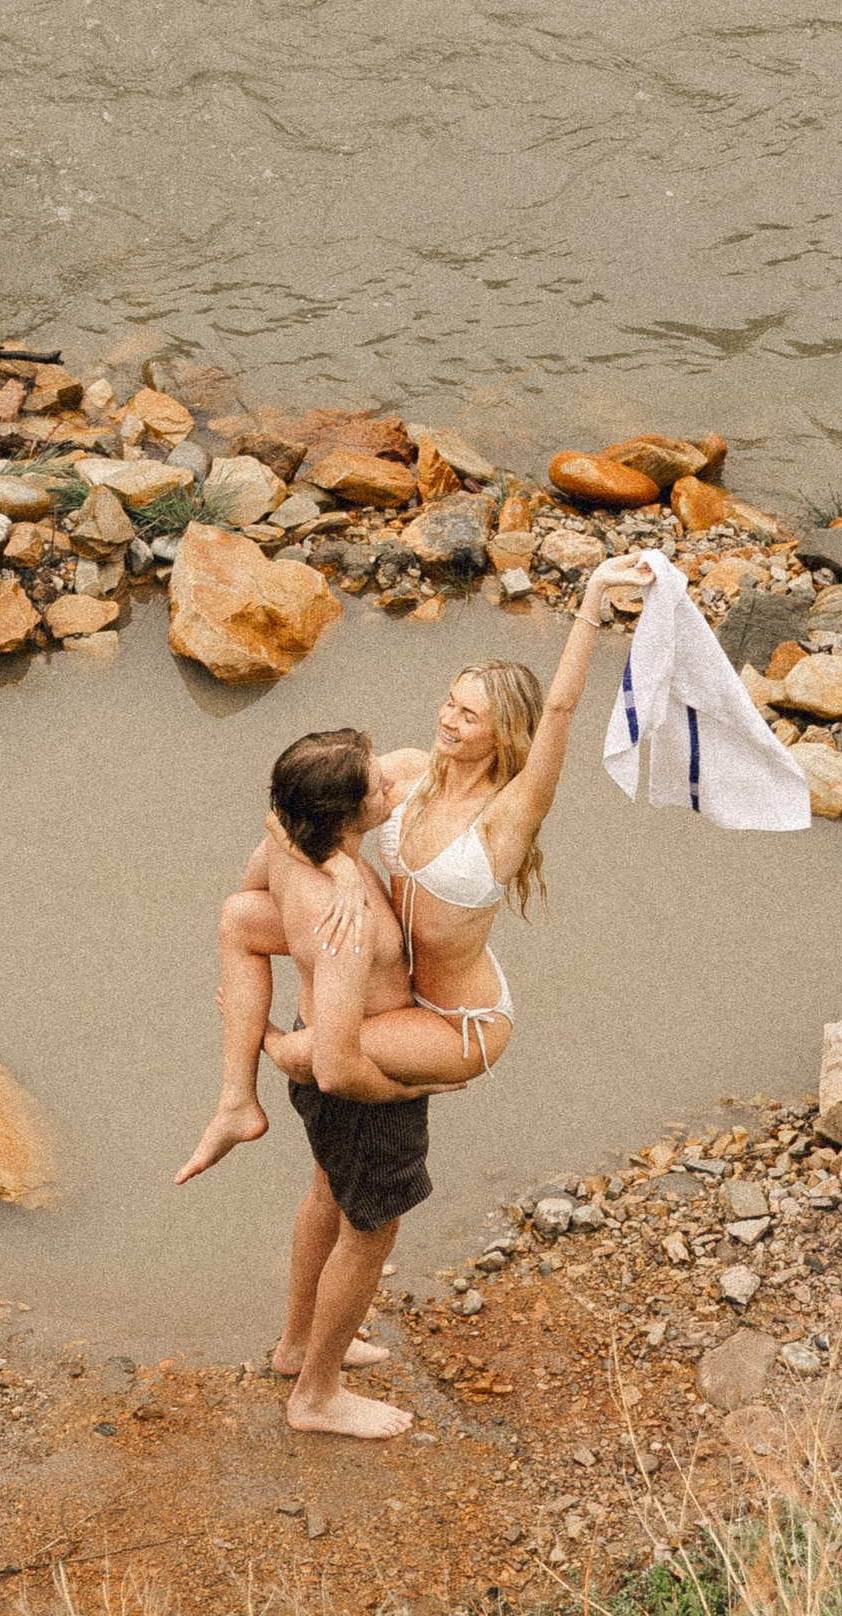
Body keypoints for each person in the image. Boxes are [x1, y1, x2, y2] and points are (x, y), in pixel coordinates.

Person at [176, 555, 648, 1180]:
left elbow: (559, 711)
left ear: (502, 734)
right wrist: (339, 869)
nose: (449, 720)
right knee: (239, 916)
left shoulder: (506, 817)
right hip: (388, 973)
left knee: (307, 1054)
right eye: (450, 703)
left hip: (453, 1019)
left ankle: (266, 1051)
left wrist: (592, 597)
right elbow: (288, 812)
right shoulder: (403, 773)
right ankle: (235, 1099)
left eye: (469, 715)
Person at [204, 726, 433, 1438]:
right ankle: (317, 1396)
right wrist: (399, 1090)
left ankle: (298, 1345)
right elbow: (336, 1065)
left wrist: (332, 863)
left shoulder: (288, 845)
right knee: (371, 1231)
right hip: (358, 1092)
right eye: (377, 788)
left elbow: (245, 904)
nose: (391, 787)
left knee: (327, 1196)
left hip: (324, 1083)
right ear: (341, 817)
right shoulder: (347, 925)